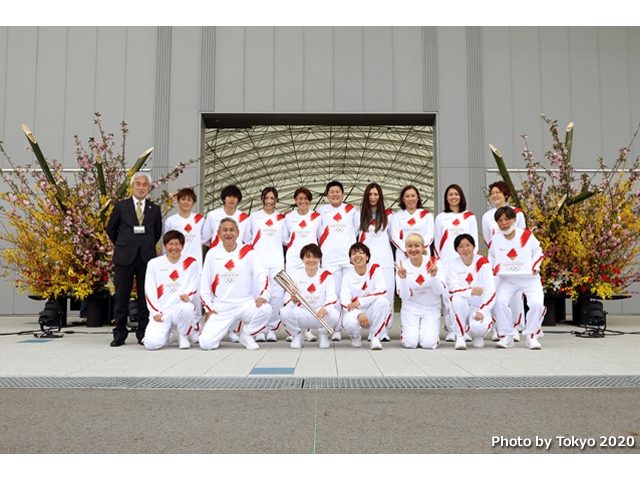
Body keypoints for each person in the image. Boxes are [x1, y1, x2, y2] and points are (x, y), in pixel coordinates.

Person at [106, 172, 162, 347]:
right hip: (124, 256)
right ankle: (119, 334)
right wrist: (123, 244)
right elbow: (111, 229)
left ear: (149, 188)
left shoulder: (154, 209)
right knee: (121, 296)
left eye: (145, 184)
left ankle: (143, 333)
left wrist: (144, 244)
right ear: (132, 187)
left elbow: (156, 233)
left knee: (144, 297)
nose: (141, 187)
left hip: (146, 258)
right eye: (138, 184)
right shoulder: (121, 206)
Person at [199, 217, 272, 350]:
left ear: (238, 233)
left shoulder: (248, 252)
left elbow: (261, 275)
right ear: (219, 233)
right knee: (206, 344)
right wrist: (209, 308)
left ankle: (247, 334)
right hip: (221, 306)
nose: (228, 233)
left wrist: (264, 295)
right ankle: (218, 331)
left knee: (266, 309)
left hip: (244, 303)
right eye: (225, 230)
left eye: (232, 230)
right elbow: (205, 285)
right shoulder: (212, 253)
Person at [489, 206, 545, 350]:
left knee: (537, 304)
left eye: (507, 219)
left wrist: (535, 266)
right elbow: (492, 257)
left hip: (529, 278)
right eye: (500, 220)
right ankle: (507, 336)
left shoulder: (526, 235)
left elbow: (538, 252)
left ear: (514, 219)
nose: (504, 223)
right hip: (507, 279)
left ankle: (532, 336)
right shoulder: (496, 238)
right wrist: (493, 267)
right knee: (499, 302)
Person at [201, 184, 251, 343]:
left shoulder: (244, 217)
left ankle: (233, 330)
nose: (231, 199)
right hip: (218, 259)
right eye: (229, 196)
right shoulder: (213, 215)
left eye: (235, 197)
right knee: (219, 292)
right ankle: (216, 324)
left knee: (235, 292)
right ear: (223, 198)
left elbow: (247, 240)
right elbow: (206, 238)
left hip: (237, 260)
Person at [434, 184, 478, 342]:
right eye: (450, 194)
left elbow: (474, 241)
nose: (453, 197)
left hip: (465, 262)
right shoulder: (440, 218)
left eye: (456, 194)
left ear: (461, 197)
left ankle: (463, 329)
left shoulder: (469, 217)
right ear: (446, 198)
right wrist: (438, 261)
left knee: (464, 295)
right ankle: (451, 329)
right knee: (448, 296)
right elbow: (437, 242)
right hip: (446, 262)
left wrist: (472, 261)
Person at [143, 230, 201, 350]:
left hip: (179, 308)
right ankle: (167, 334)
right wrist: (155, 312)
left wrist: (188, 296)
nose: (174, 247)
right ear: (165, 246)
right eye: (170, 244)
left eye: (177, 244)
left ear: (182, 246)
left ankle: (183, 335)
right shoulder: (154, 264)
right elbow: (150, 290)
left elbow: (193, 285)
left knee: (187, 308)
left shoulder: (191, 263)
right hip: (162, 312)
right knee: (152, 344)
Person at [318, 180, 360, 340]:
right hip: (329, 259)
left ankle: (351, 328)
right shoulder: (321, 211)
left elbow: (356, 230)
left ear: (342, 194)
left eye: (338, 192)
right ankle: (335, 328)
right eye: (331, 192)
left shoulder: (351, 210)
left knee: (348, 294)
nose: (335, 194)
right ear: (327, 195)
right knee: (333, 295)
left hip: (348, 259)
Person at [163, 187, 206, 339]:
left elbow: (206, 239)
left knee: (194, 299)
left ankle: (195, 330)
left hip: (195, 266)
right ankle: (170, 330)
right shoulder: (171, 221)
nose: (186, 202)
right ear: (178, 201)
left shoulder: (200, 220)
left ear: (194, 202)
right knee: (174, 297)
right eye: (183, 199)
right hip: (176, 266)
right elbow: (166, 244)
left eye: (189, 199)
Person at [246, 187, 288, 342]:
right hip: (259, 263)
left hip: (277, 263)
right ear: (262, 199)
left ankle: (272, 329)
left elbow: (286, 239)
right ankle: (259, 329)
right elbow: (247, 239)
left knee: (277, 297)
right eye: (267, 198)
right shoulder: (254, 217)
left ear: (276, 200)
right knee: (260, 296)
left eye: (272, 198)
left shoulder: (281, 218)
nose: (269, 201)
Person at [283, 186, 323, 343]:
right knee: (292, 292)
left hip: (312, 259)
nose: (303, 201)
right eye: (300, 198)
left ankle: (308, 330)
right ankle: (292, 330)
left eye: (306, 199)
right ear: (295, 200)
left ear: (310, 201)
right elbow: (285, 238)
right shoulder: (288, 217)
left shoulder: (316, 217)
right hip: (293, 259)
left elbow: (319, 236)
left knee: (310, 292)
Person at [280, 244, 339, 349]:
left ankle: (323, 334)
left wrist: (325, 308)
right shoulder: (295, 275)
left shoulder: (326, 275)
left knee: (335, 314)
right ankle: (296, 335)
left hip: (319, 313)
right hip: (302, 312)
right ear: (302, 259)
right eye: (308, 256)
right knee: (284, 311)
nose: (311, 260)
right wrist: (293, 301)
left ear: (320, 258)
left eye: (315, 256)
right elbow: (287, 297)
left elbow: (332, 296)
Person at [395, 233, 446, 349]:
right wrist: (402, 279)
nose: (413, 249)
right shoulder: (402, 267)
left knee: (428, 343)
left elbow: (439, 291)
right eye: (409, 246)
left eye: (417, 245)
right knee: (410, 344)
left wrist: (433, 277)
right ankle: (406, 331)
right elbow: (404, 296)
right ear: (406, 249)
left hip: (431, 308)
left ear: (423, 247)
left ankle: (431, 334)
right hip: (411, 308)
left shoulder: (435, 262)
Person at [358, 182, 395, 341]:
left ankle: (384, 330)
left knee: (386, 296)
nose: (372, 197)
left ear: (380, 196)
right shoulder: (358, 215)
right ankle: (371, 329)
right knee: (367, 296)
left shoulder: (389, 215)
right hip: (366, 265)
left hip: (385, 262)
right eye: (370, 194)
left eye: (376, 194)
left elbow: (394, 238)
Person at [445, 234, 495, 350]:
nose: (465, 249)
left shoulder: (483, 262)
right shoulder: (453, 265)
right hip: (464, 306)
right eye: (461, 246)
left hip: (479, 307)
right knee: (456, 300)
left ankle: (478, 336)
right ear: (457, 250)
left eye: (468, 245)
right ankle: (460, 337)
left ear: (473, 246)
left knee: (479, 329)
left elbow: (490, 290)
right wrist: (470, 291)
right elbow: (453, 289)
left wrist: (483, 311)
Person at [340, 242, 389, 350]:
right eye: (354, 254)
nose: (357, 256)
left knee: (383, 302)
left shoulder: (375, 269)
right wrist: (359, 313)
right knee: (349, 323)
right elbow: (345, 302)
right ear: (350, 259)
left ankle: (375, 337)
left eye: (361, 253)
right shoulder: (347, 277)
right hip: (354, 312)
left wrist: (360, 301)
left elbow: (382, 290)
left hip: (371, 310)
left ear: (367, 257)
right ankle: (355, 337)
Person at [389, 185, 434, 261]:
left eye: (413, 196)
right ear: (403, 199)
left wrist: (419, 249)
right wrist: (407, 250)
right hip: (403, 256)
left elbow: (430, 235)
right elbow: (394, 237)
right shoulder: (396, 216)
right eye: (407, 196)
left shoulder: (426, 215)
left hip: (423, 254)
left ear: (418, 197)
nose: (410, 199)